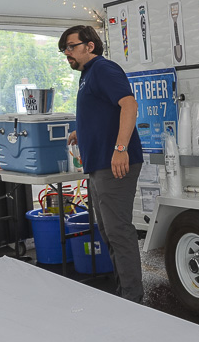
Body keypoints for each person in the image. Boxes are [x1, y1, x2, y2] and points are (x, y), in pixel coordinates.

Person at [59, 25, 144, 303]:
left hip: (114, 164)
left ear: (90, 46)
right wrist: (80, 132)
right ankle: (124, 293)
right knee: (108, 231)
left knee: (118, 231)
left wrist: (120, 149)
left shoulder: (103, 69)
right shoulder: (88, 75)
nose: (67, 53)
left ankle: (132, 298)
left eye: (71, 47)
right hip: (99, 165)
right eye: (64, 50)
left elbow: (129, 105)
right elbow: (103, 112)